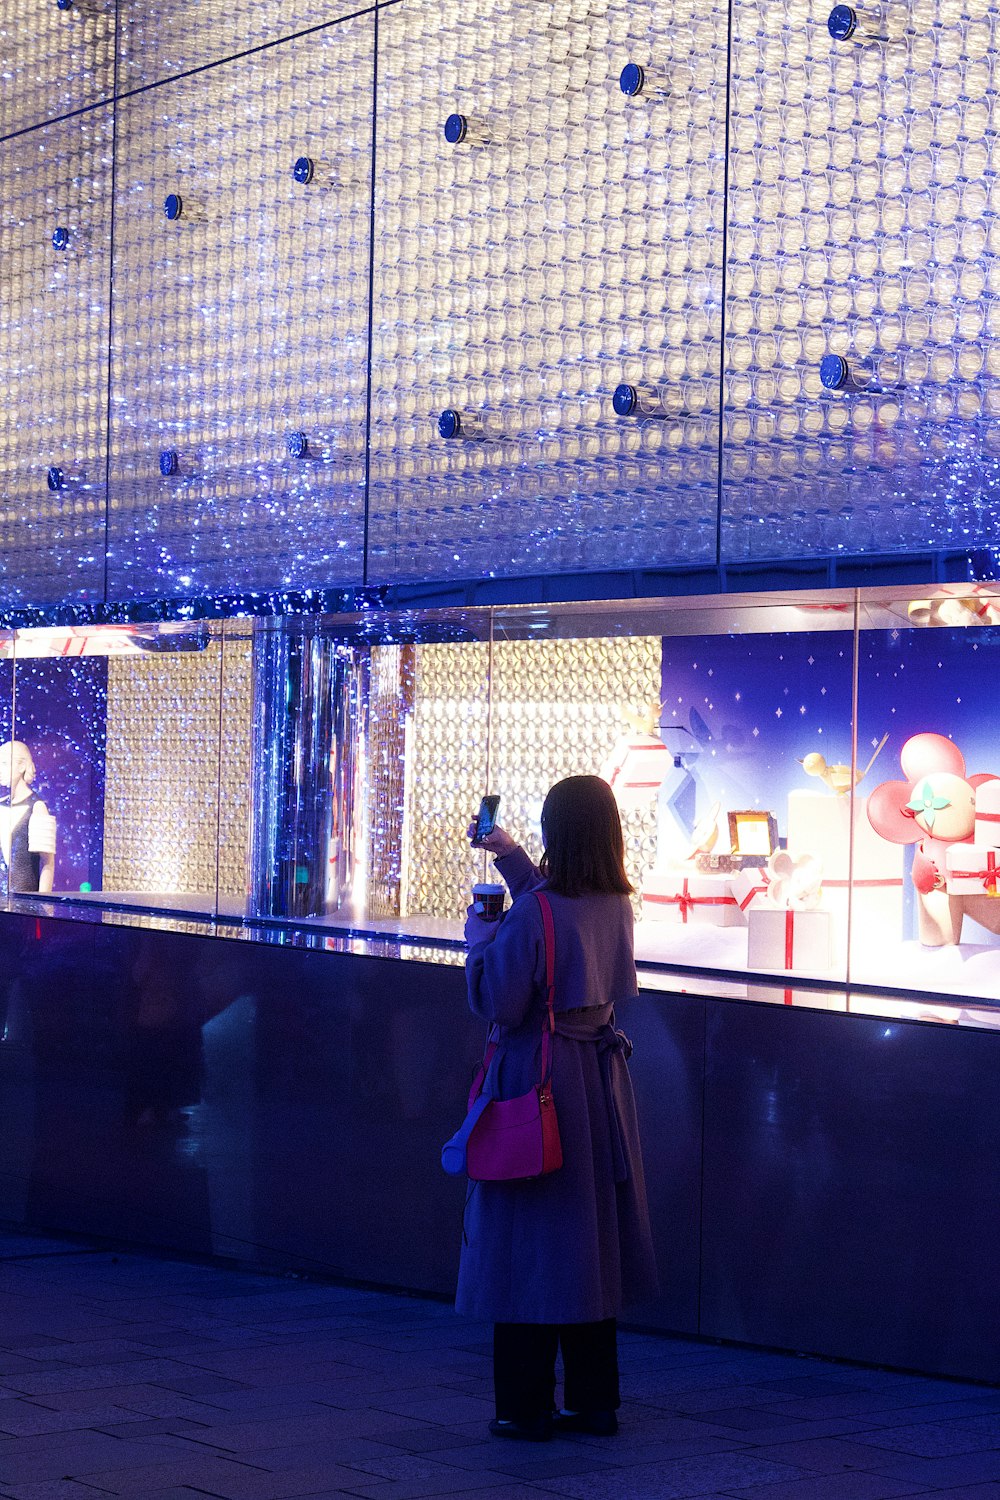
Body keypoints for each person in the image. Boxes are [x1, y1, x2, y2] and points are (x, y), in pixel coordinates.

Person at [460, 774, 657, 1442]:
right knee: (587, 1245)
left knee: (525, 1248)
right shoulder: (614, 902)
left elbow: (499, 1002)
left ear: (554, 832)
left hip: (535, 1084)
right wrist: (508, 856)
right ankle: (595, 1400)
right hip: (596, 1088)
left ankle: (524, 1406)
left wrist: (481, 939)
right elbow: (555, 912)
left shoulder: (533, 914)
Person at [0, 741, 55, 896]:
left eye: (4, 763)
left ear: (22, 766)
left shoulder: (36, 808)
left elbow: (47, 863)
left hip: (24, 901)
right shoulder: (1, 805)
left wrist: (44, 904)